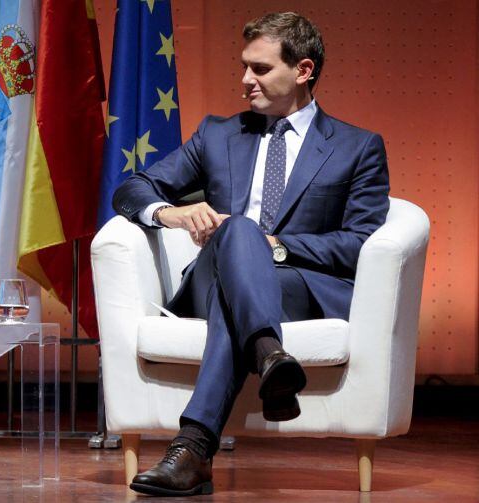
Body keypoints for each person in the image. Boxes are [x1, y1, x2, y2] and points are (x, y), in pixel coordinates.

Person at [112, 12, 389, 496]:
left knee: (235, 279)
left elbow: (360, 242)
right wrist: (170, 215)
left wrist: (276, 245)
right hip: (213, 274)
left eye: (260, 69)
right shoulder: (219, 135)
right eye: (244, 67)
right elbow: (133, 188)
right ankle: (270, 355)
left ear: (303, 71)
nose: (245, 81)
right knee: (237, 231)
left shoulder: (357, 147)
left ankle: (194, 449)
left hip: (296, 285)